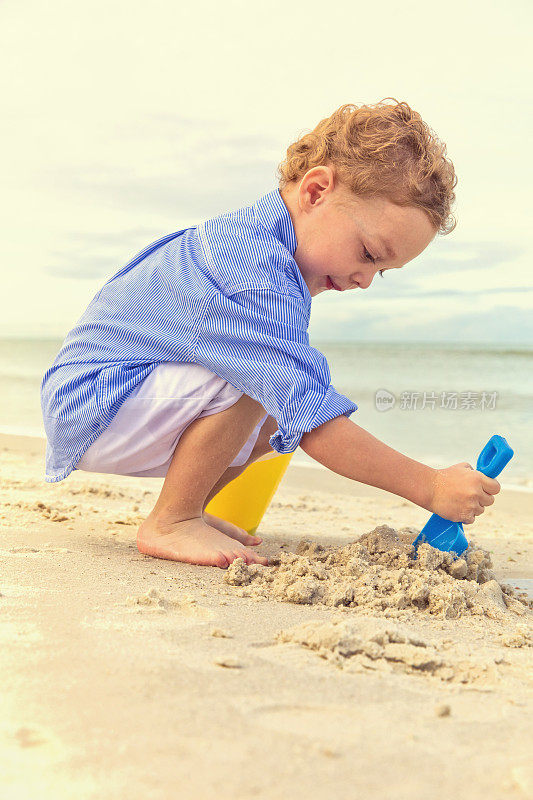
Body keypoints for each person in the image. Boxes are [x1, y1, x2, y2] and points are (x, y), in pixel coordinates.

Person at [40, 99, 501, 569]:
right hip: (93, 402)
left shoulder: (272, 255)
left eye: (381, 271)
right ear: (316, 191)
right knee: (265, 384)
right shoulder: (252, 273)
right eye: (367, 252)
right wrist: (431, 485)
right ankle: (172, 520)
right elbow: (315, 421)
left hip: (118, 402)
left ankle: (189, 510)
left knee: (277, 399)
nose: (364, 279)